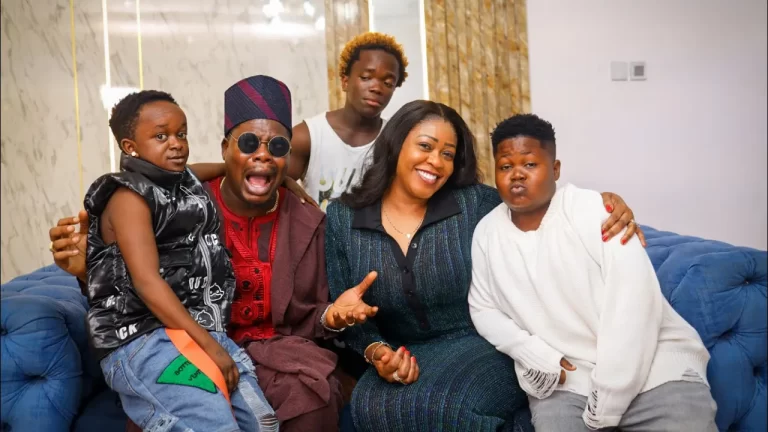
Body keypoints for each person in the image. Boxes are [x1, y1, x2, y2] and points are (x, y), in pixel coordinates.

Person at [50, 76, 379, 432]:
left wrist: (333, 316)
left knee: (307, 401)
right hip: (182, 341)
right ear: (225, 149)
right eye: (249, 143)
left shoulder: (307, 219)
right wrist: (86, 269)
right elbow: (137, 282)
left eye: (277, 147)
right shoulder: (177, 203)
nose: (263, 155)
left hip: (279, 355)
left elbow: (313, 313)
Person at [324, 100, 645, 431]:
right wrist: (378, 352)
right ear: (395, 145)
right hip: (400, 352)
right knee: (370, 408)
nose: (436, 162)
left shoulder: (475, 203)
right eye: (426, 146)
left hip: (484, 345)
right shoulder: (342, 218)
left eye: (447, 154)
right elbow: (348, 314)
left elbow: (541, 202)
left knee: (447, 408)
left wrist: (602, 204)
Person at [468, 114, 717, 431]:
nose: (517, 174)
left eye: (530, 164)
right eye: (505, 166)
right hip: (566, 380)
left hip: (657, 372)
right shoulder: (487, 233)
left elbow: (633, 303)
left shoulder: (594, 211)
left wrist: (609, 398)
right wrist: (531, 353)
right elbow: (483, 308)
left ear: (555, 169)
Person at [83, 90, 277, 431]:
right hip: (142, 338)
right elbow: (147, 282)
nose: (176, 144)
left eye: (181, 134)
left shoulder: (181, 180)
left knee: (263, 423)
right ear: (130, 146)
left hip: (191, 327)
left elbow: (201, 171)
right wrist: (212, 348)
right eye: (161, 136)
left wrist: (266, 173)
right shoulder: (128, 197)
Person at [289, 32, 408, 210]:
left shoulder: (397, 140)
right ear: (345, 81)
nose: (377, 88)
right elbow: (271, 185)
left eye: (388, 83)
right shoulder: (307, 136)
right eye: (366, 77)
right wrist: (286, 182)